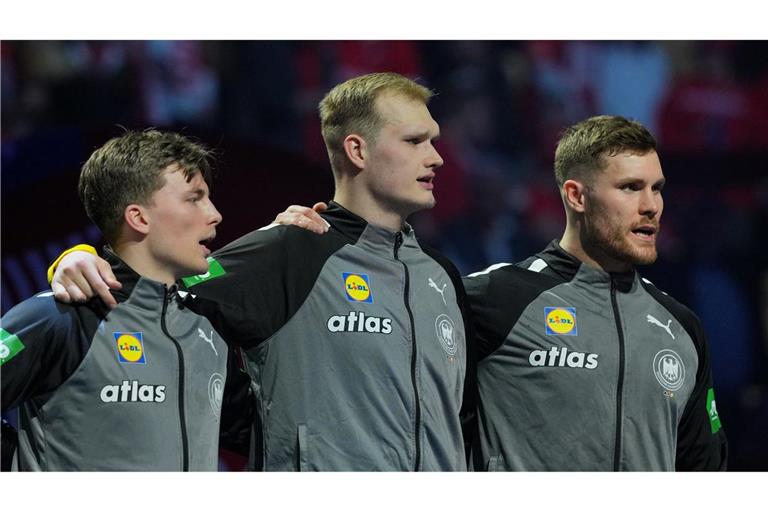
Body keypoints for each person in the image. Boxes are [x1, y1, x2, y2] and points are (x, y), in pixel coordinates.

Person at [47, 72, 475, 471]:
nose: (436, 158)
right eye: (416, 141)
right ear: (357, 150)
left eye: (433, 141)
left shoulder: (441, 275)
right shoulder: (289, 249)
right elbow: (149, 288)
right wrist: (77, 258)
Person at [464, 115, 727, 470]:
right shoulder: (494, 298)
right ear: (576, 196)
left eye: (657, 188)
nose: (651, 206)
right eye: (631, 187)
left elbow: (705, 473)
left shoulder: (681, 327)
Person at [1, 130, 228, 471]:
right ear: (139, 218)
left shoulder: (207, 320)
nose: (215, 214)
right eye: (194, 198)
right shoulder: (60, 317)